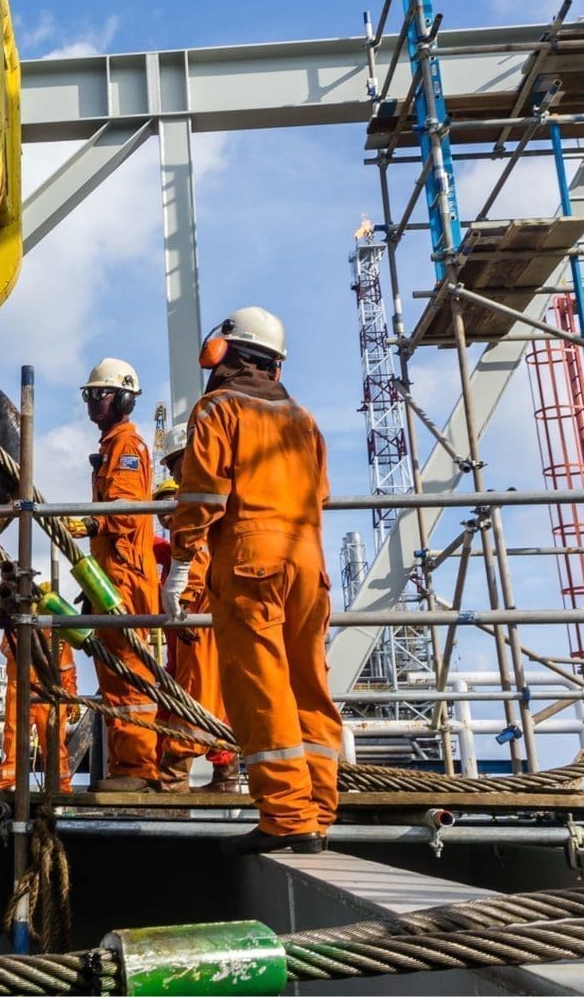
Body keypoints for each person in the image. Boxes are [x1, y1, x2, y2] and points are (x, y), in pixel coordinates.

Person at [163, 307, 342, 853]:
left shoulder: (218, 408)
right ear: (277, 365)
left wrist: (180, 563)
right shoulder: (305, 419)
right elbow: (323, 495)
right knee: (309, 685)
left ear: (223, 353)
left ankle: (287, 819)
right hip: (309, 561)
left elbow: (201, 497)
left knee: (261, 689)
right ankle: (318, 813)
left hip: (250, 560)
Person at [76, 357, 162, 792]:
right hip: (113, 575)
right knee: (113, 674)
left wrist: (90, 523)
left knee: (128, 672)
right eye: (89, 394)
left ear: (124, 399)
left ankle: (138, 769)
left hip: (126, 575)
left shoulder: (127, 446)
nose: (94, 402)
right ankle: (127, 766)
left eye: (101, 394)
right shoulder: (112, 446)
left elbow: (124, 514)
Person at [151, 432, 238, 794]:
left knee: (194, 693)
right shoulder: (214, 495)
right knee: (210, 692)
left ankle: (174, 780)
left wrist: (184, 600)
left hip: (197, 615)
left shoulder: (197, 503)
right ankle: (226, 777)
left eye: (175, 465)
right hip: (208, 612)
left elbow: (198, 554)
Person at [0, 631, 78, 793]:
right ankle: (9, 785)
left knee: (54, 742)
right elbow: (8, 649)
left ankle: (59, 788)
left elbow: (67, 667)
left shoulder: (58, 628)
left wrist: (72, 698)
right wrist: (39, 648)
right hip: (21, 688)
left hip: (51, 691)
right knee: (14, 739)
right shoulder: (17, 623)